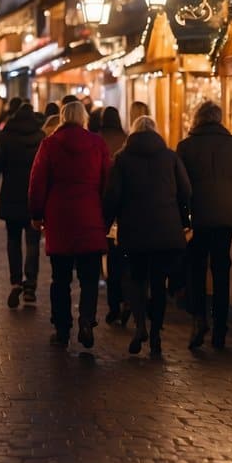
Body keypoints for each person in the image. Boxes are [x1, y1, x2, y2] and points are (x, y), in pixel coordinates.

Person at [102, 116, 191, 357]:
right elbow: (186, 192)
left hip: (133, 232)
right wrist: (184, 222)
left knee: (136, 278)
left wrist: (105, 225)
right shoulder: (170, 157)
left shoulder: (122, 159)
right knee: (158, 283)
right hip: (165, 231)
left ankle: (140, 325)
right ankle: (155, 335)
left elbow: (112, 196)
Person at [28, 101, 112, 350]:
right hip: (89, 216)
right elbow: (108, 182)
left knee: (60, 278)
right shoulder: (97, 144)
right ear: (83, 118)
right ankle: (86, 320)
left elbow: (37, 182)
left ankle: (62, 328)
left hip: (60, 218)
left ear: (63, 117)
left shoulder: (50, 144)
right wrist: (104, 216)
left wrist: (36, 214)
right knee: (88, 278)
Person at [177, 101, 232, 350]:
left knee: (196, 269)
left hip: (198, 217)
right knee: (221, 270)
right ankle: (220, 329)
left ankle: (199, 320)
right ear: (220, 119)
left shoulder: (186, 146)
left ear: (197, 118)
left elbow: (180, 185)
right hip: (225, 217)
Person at [0, 102, 45, 308]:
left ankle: (15, 281)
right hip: (34, 196)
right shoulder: (40, 138)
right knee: (32, 241)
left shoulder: (7, 135)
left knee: (13, 240)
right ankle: (30, 285)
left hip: (11, 194)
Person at [97, 105, 130, 326]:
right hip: (127, 206)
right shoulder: (126, 139)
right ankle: (128, 299)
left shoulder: (97, 140)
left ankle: (113, 305)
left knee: (110, 258)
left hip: (104, 202)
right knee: (126, 257)